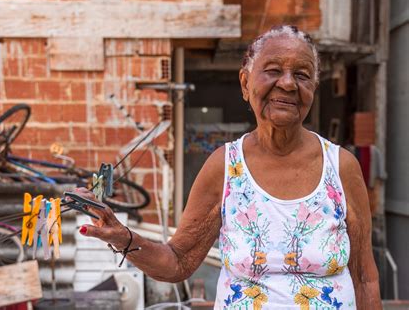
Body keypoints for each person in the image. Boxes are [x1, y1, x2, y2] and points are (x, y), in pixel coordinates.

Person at [75, 25, 381, 309]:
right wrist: (125, 239)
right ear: (245, 83)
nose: (288, 83)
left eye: (302, 75)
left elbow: (365, 277)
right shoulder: (225, 167)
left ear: (313, 87)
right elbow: (178, 261)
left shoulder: (341, 167)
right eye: (273, 70)